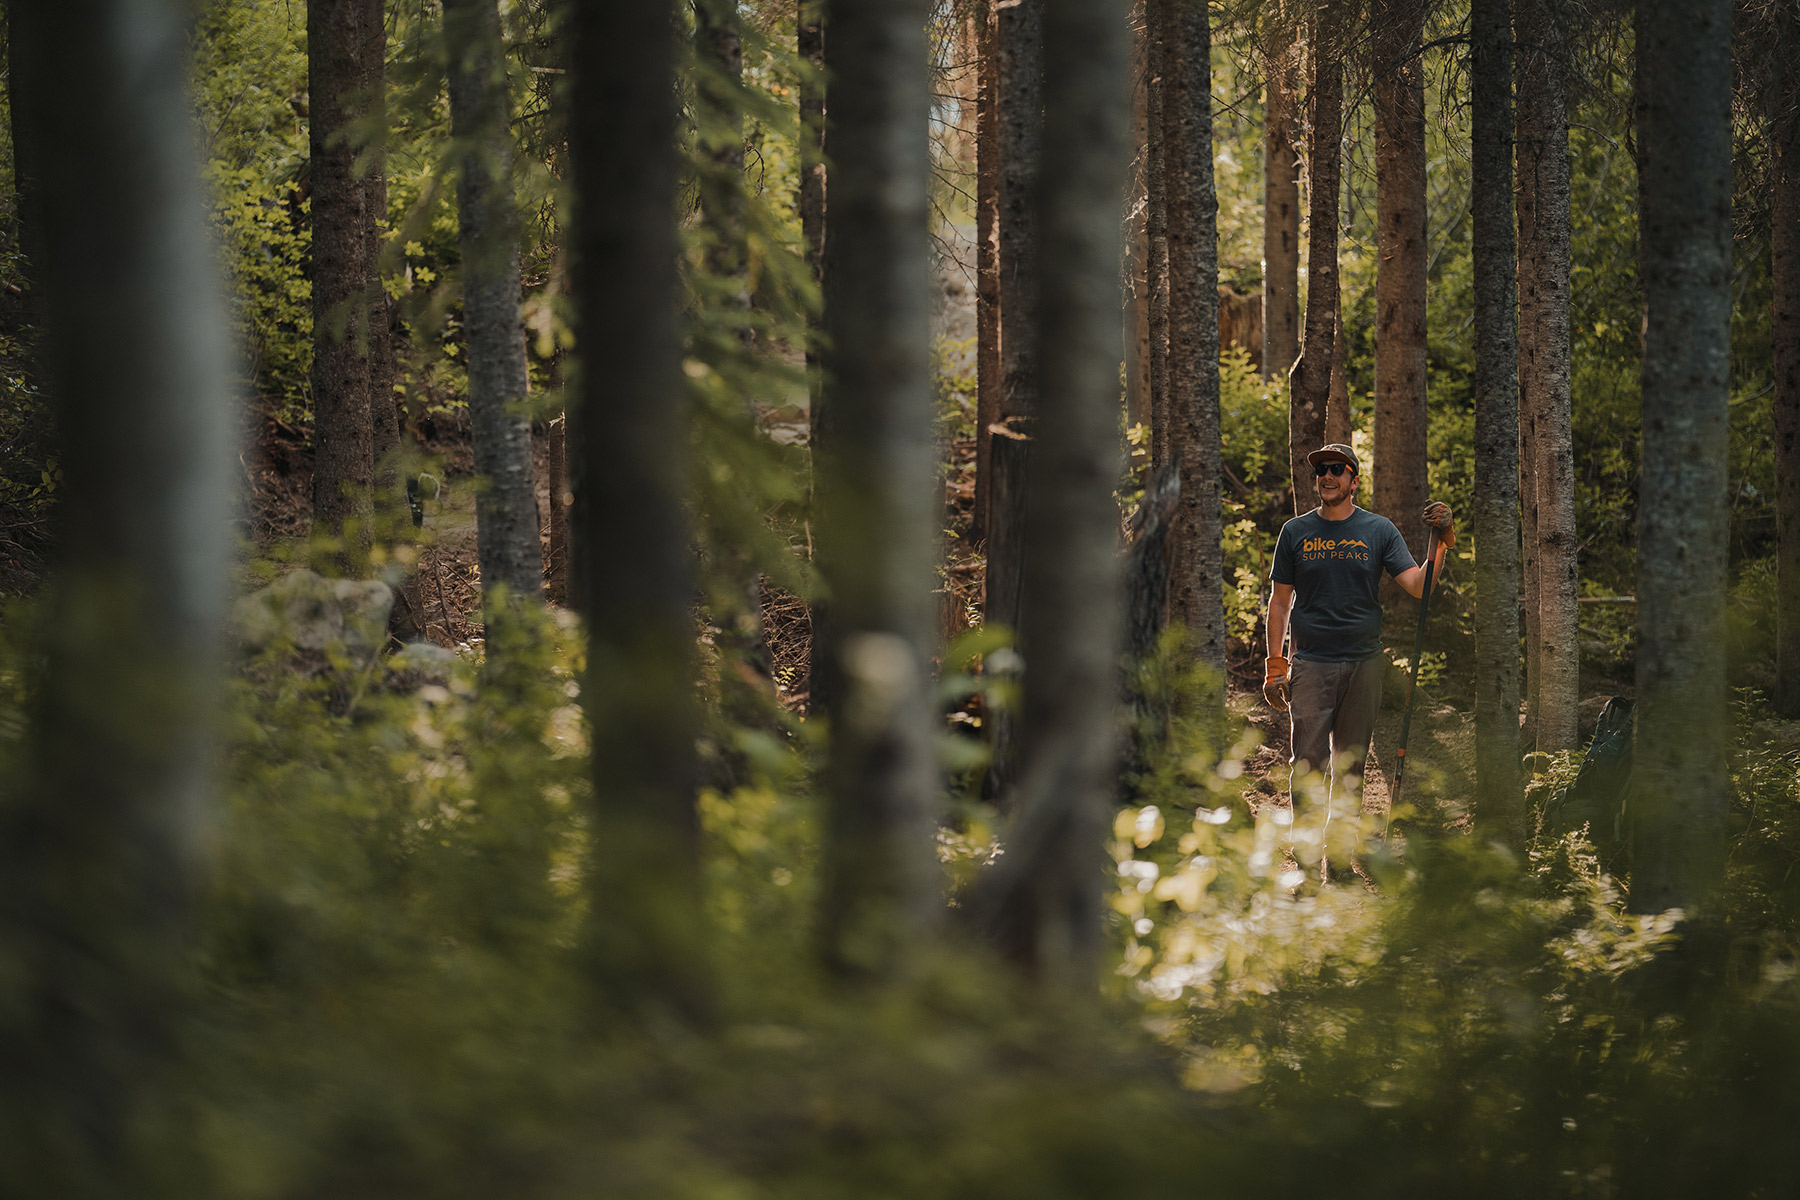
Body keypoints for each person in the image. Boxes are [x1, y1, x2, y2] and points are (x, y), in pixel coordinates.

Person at [1262, 443, 1452, 876]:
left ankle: (1342, 864)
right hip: (1310, 665)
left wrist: (1440, 542)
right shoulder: (1295, 532)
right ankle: (1309, 868)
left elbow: (1419, 587)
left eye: (1336, 469)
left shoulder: (1378, 530)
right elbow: (1279, 603)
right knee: (1307, 768)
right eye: (1320, 471)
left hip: (1365, 664)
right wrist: (1275, 665)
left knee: (1350, 766)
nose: (1326, 477)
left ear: (1353, 479)